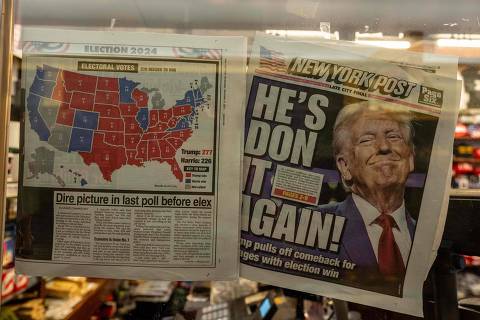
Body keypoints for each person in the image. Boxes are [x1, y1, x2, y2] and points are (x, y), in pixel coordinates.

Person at [319, 100, 416, 296]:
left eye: (394, 136)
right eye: (366, 140)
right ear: (345, 166)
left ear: (411, 158)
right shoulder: (313, 226)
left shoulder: (429, 236)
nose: (384, 146)